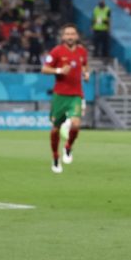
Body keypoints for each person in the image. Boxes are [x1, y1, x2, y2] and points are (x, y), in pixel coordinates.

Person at [41, 24, 89, 174]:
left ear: (77, 36)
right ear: (63, 37)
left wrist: (86, 74)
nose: (70, 36)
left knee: (75, 124)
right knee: (55, 129)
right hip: (60, 96)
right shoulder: (57, 51)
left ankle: (68, 146)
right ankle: (55, 156)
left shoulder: (82, 51)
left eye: (72, 34)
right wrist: (59, 70)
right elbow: (44, 69)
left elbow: (85, 66)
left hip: (76, 95)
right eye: (67, 34)